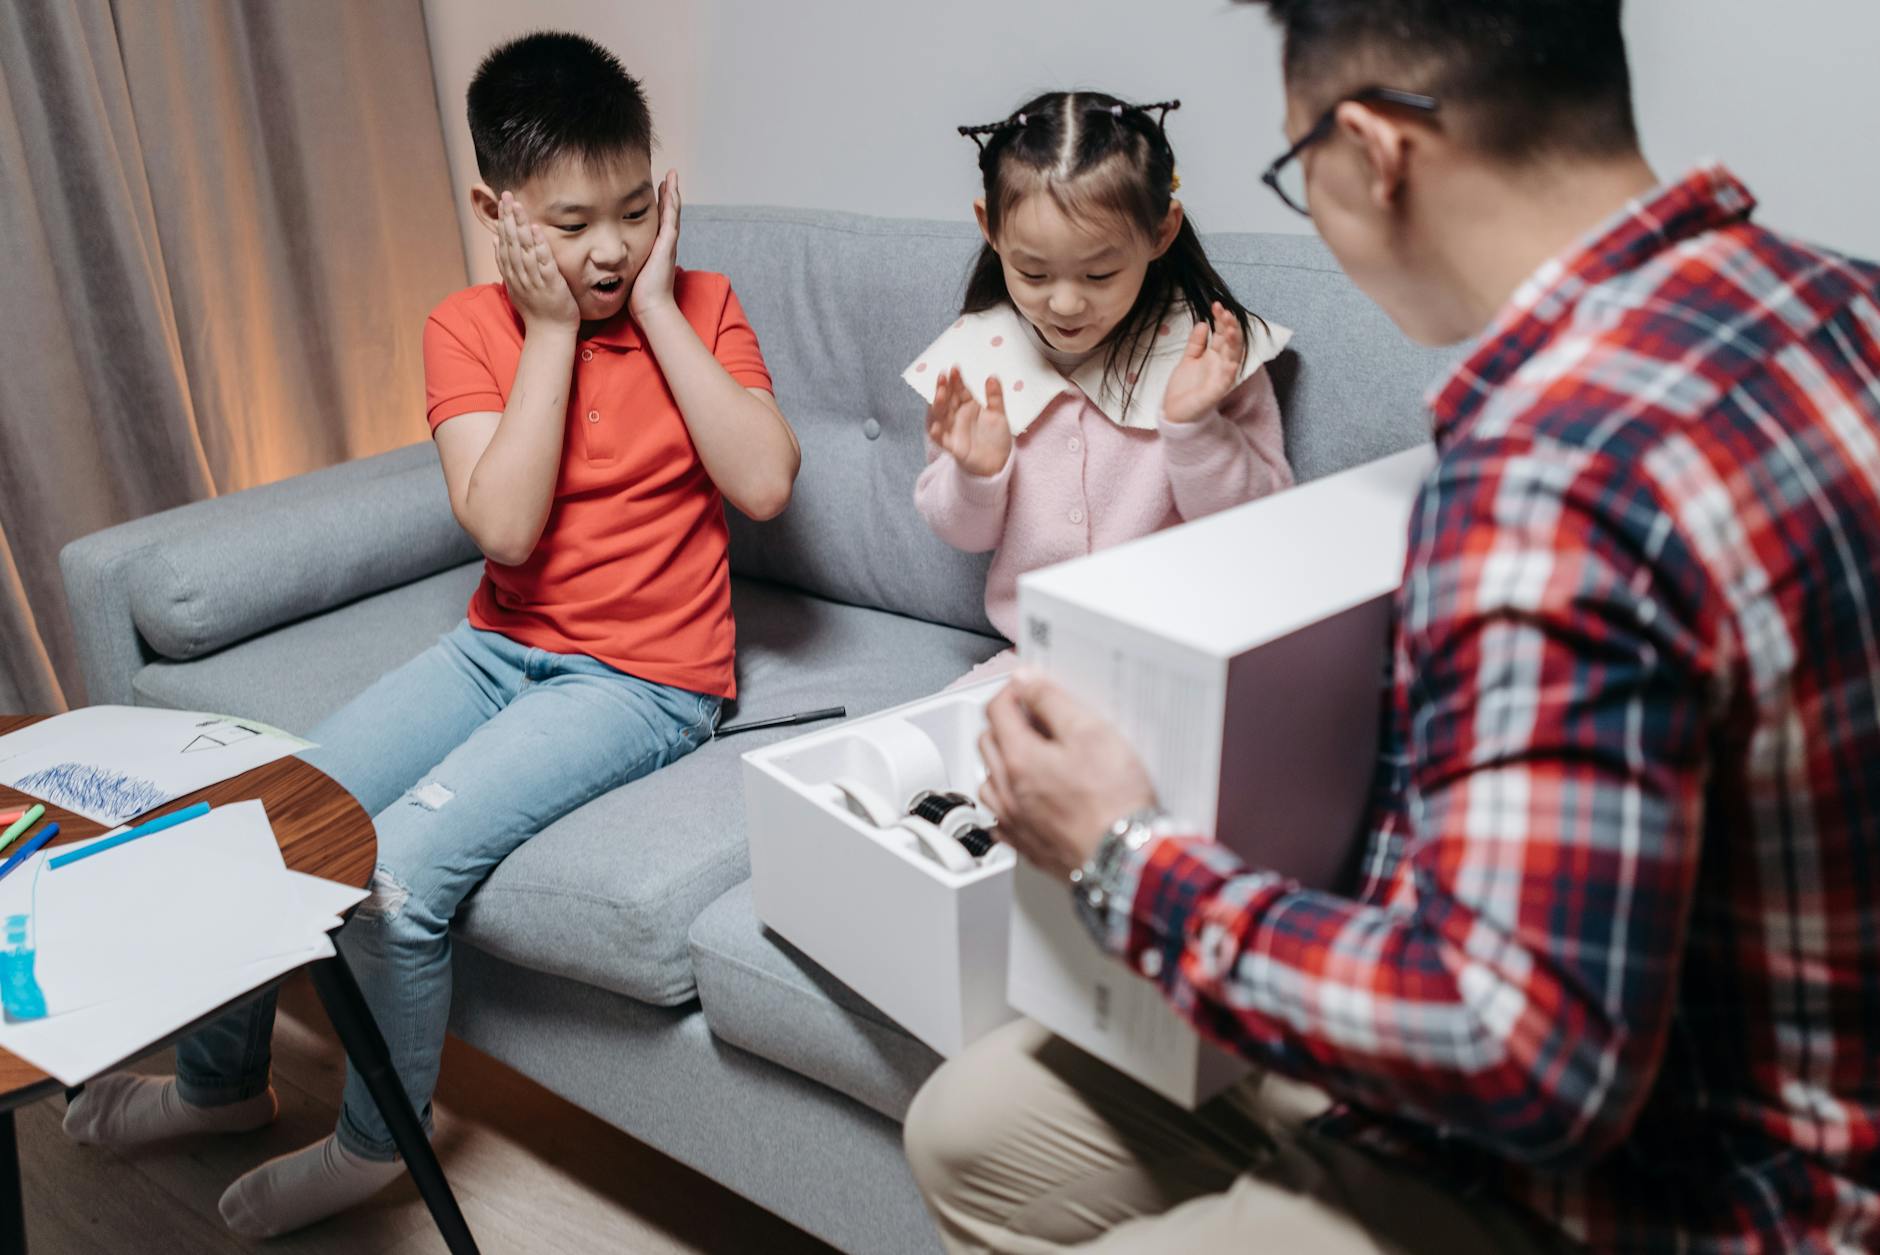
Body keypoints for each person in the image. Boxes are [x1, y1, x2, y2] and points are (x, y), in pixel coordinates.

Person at [904, 1, 1880, 1250]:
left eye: (1296, 167)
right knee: (969, 1130)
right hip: (1605, 1017)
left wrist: (1122, 850)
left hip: (1672, 1175)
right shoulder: (1837, 300)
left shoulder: (1550, 468)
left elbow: (1524, 1055)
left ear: (1369, 152)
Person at [63, 31, 800, 1237]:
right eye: (571, 224)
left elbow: (763, 483)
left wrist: (655, 310)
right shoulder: (466, 328)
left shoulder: (703, 306)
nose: (609, 248)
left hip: (644, 680)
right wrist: (551, 332)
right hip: (496, 649)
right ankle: (220, 1085)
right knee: (261, 817)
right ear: (494, 211)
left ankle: (375, 1143)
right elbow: (504, 528)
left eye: (633, 210)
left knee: (391, 881)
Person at [911, 91, 1292, 684]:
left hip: (1183, 661)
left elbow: (1263, 522)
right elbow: (962, 533)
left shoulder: (1208, 354)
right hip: (1040, 658)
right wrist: (976, 475)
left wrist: (1196, 430)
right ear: (990, 229)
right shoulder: (974, 362)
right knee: (940, 735)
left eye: (1099, 274)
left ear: (1161, 232)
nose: (1064, 303)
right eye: (1033, 272)